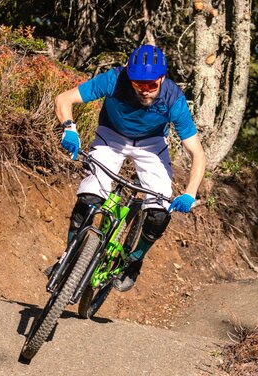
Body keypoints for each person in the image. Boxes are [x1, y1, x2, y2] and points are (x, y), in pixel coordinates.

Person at [52, 44, 206, 292]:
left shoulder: (173, 98)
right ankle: (67, 258)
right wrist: (69, 127)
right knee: (87, 199)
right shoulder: (115, 79)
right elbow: (64, 99)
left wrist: (189, 193)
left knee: (158, 214)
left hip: (151, 146)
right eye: (138, 85)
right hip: (111, 137)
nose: (145, 91)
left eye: (151, 85)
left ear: (162, 78)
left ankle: (134, 261)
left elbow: (197, 153)